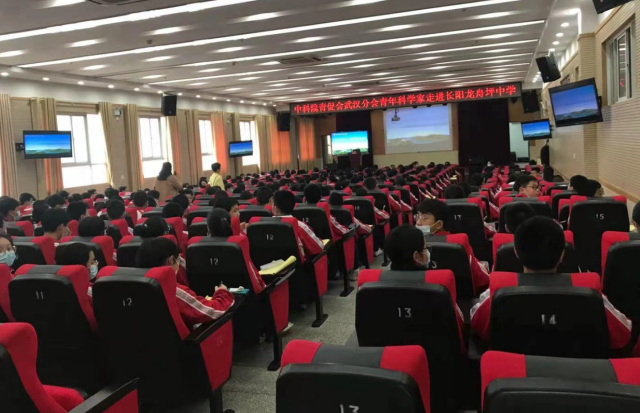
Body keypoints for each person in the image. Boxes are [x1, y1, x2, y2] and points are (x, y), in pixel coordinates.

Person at [470, 216, 632, 352]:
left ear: (516, 253)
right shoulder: (591, 291)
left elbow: (476, 325)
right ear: (562, 255)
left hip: (515, 378)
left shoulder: (497, 292)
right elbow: (624, 333)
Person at [136, 237, 234, 329]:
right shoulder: (173, 291)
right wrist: (222, 293)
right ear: (171, 260)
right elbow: (212, 311)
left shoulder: (134, 287)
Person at [416, 199, 489, 291]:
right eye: (417, 216)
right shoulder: (458, 242)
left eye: (424, 218)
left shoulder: (411, 242)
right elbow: (482, 279)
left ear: (439, 224)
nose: (418, 222)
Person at [272, 190, 324, 257]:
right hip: (295, 263)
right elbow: (319, 246)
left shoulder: (261, 225)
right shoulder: (299, 226)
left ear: (275, 208)